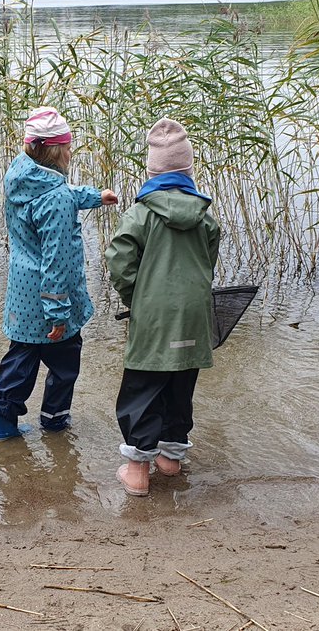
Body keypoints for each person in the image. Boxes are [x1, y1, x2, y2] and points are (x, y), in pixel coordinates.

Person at [0, 106, 118, 440]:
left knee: (19, 361)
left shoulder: (20, 177)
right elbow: (56, 261)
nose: (72, 152)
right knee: (64, 364)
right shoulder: (56, 197)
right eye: (69, 146)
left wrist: (94, 196)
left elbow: (60, 195)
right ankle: (55, 424)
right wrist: (59, 314)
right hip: (50, 300)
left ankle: (2, 429)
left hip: (22, 295)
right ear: (56, 150)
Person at [105, 118, 220, 497]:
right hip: (194, 317)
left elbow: (119, 261)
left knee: (142, 387)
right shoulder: (205, 215)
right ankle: (171, 460)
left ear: (151, 171)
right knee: (179, 385)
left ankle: (138, 471)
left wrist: (134, 298)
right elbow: (208, 262)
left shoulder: (141, 213)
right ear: (188, 170)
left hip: (154, 318)